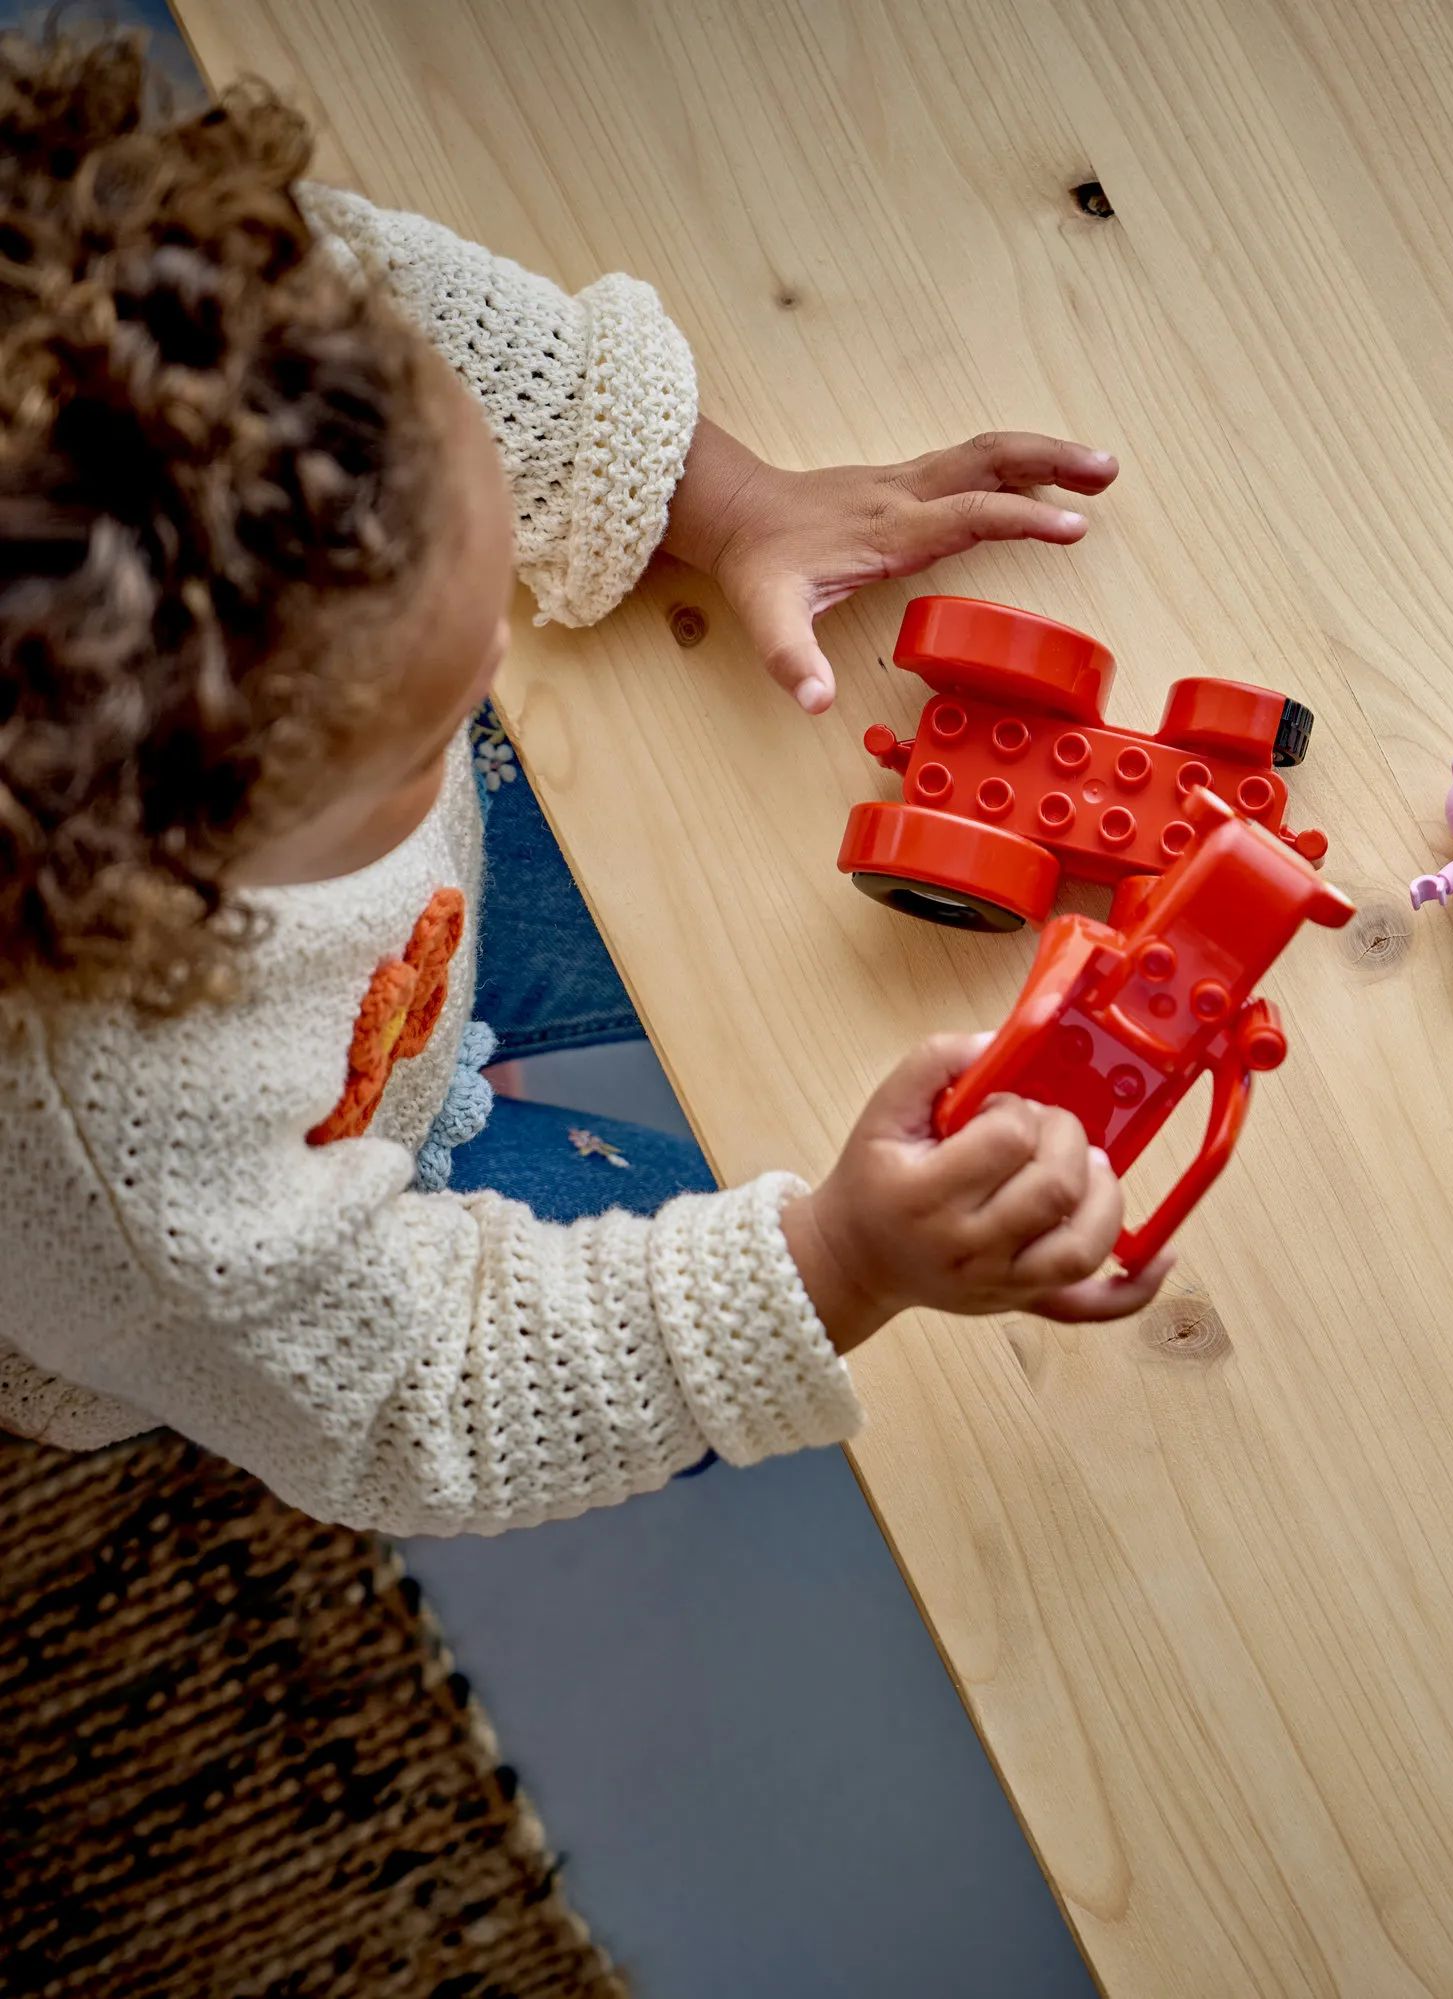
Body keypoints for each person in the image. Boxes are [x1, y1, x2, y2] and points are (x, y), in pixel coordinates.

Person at [0, 33, 1171, 1535]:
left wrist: (731, 503)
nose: (503, 649)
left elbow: (413, 313)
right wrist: (841, 1261)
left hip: (394, 954)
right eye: (427, 720)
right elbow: (423, 1397)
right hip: (282, 1251)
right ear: (166, 877)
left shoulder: (192, 309)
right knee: (700, 1288)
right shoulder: (132, 1172)